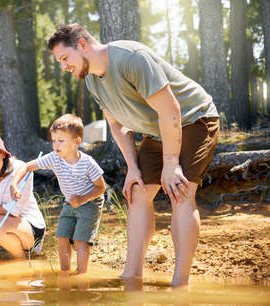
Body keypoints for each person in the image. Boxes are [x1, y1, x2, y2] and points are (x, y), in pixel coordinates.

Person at [47, 24, 219, 286]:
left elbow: (171, 109)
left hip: (194, 118)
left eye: (64, 58)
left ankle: (180, 284)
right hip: (158, 130)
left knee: (180, 192)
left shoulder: (131, 58)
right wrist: (133, 168)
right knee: (138, 191)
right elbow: (117, 125)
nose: (63, 67)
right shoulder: (93, 80)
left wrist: (171, 164)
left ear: (82, 44)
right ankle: (131, 276)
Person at [11, 114, 106, 275]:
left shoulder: (87, 163)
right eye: (54, 140)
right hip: (70, 202)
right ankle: (65, 273)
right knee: (61, 236)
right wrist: (14, 184)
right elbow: (26, 167)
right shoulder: (54, 158)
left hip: (90, 202)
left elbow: (101, 188)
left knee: (80, 240)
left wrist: (83, 198)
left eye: (61, 141)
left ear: (77, 142)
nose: (56, 145)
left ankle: (81, 274)